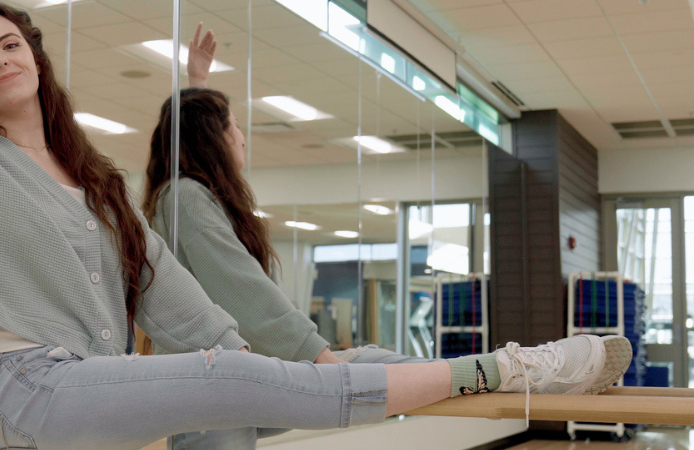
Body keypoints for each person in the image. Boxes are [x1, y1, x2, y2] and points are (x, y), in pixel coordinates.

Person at [0, 2, 630, 449]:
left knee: (264, 367)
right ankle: (513, 368)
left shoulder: (97, 185)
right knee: (236, 379)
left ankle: (535, 370)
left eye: (11, 43)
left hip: (90, 378)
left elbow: (166, 286)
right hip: (28, 384)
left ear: (37, 60)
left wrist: (266, 351)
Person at [141, 30, 634, 450]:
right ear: (212, 139)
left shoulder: (185, 196)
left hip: (233, 377)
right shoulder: (184, 195)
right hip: (213, 385)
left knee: (375, 363)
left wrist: (197, 83)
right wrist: (321, 357)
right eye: (233, 126)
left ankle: (516, 374)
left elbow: (227, 279)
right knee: (366, 369)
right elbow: (243, 286)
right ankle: (519, 371)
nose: (243, 135)